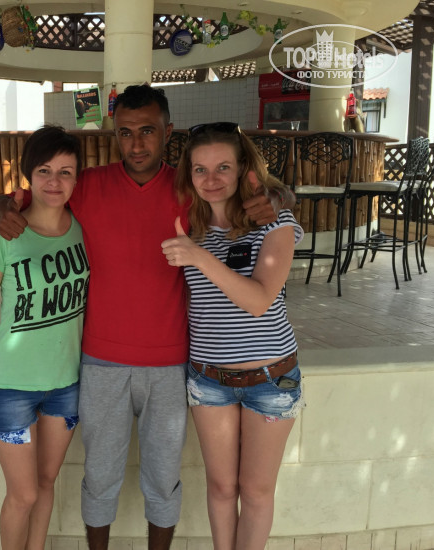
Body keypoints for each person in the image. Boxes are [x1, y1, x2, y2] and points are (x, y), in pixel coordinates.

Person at [0, 85, 295, 550]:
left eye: (148, 131)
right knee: (100, 476)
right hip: (100, 361)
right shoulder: (88, 185)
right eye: (126, 132)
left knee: (163, 478)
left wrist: (279, 194)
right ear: (115, 134)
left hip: (171, 362)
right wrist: (3, 203)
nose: (136, 144)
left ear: (168, 132)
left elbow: (253, 195)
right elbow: (40, 191)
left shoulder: (189, 188)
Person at [161, 122, 305, 550]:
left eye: (223, 167)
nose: (211, 179)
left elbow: (259, 300)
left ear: (243, 168)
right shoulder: (190, 227)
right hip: (209, 380)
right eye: (200, 169)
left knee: (256, 492)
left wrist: (197, 257)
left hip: (270, 380)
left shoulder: (274, 221)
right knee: (222, 489)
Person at [0, 125, 89, 550]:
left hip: (66, 383)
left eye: (65, 172)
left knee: (45, 482)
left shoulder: (84, 228)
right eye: (44, 171)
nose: (54, 182)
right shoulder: (5, 232)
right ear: (28, 175)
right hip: (11, 387)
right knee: (22, 494)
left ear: (77, 178)